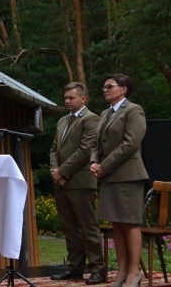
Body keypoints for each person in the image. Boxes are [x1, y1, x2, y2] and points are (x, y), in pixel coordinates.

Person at [90, 73, 148, 287]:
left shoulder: (134, 110)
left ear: (123, 89)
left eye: (110, 86)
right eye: (104, 87)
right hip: (109, 176)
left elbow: (131, 143)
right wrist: (94, 163)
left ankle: (134, 272)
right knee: (117, 223)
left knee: (130, 223)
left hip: (128, 175)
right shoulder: (105, 114)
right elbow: (97, 144)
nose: (105, 89)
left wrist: (104, 166)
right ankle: (122, 271)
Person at [49, 82, 105, 284]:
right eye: (65, 98)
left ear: (84, 98)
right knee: (69, 228)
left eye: (71, 98)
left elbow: (85, 150)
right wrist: (55, 172)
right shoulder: (62, 121)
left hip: (80, 181)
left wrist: (62, 171)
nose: (67, 101)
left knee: (87, 226)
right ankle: (75, 267)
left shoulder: (91, 119)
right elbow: (54, 149)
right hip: (61, 182)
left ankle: (98, 268)